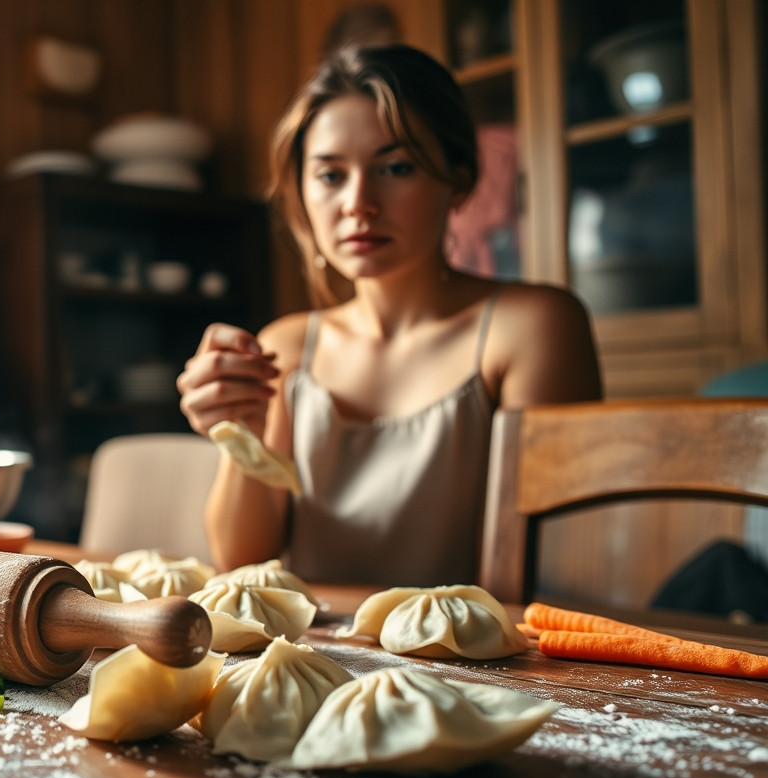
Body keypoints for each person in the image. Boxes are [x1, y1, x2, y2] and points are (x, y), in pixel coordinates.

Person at [176, 44, 603, 586]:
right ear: (301, 190)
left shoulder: (531, 327)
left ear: (459, 180)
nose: (358, 202)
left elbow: (555, 565)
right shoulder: (282, 348)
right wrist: (242, 435)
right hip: (314, 641)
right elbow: (240, 562)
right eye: (330, 176)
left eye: (396, 167)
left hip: (482, 643)